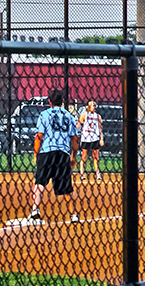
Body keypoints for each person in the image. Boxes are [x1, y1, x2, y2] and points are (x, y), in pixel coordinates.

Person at [26, 89, 80, 224]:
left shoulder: (44, 114)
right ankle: (73, 214)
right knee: (67, 186)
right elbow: (74, 139)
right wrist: (73, 156)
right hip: (63, 153)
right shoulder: (69, 116)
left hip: (47, 151)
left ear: (49, 101)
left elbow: (39, 136)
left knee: (40, 182)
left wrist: (36, 153)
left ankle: (35, 210)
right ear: (62, 102)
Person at [77, 100, 103, 180]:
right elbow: (78, 124)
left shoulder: (97, 116)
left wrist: (101, 138)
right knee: (84, 156)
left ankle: (97, 173)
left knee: (96, 156)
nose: (94, 107)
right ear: (89, 107)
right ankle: (82, 173)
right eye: (92, 106)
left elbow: (100, 128)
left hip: (94, 138)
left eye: (95, 106)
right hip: (86, 138)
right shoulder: (85, 115)